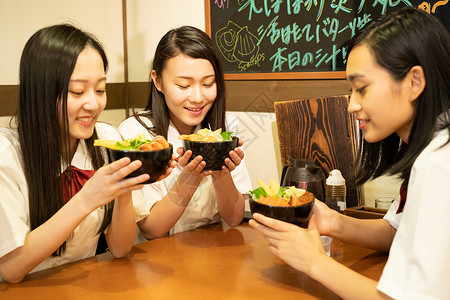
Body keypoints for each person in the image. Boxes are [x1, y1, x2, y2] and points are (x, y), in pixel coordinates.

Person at [249, 7, 450, 299]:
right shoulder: (430, 149)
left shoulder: (439, 163)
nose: (351, 105)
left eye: (362, 88)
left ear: (414, 82)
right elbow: (397, 231)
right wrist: (332, 220)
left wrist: (314, 262)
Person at [0, 24, 161, 283]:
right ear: (41, 92)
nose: (94, 104)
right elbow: (12, 270)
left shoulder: (107, 140)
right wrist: (87, 199)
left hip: (87, 285)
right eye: (77, 91)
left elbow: (120, 249)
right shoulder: (6, 155)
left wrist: (126, 186)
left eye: (100, 90)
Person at [119, 26, 252, 239]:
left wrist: (221, 174)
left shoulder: (224, 131)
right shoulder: (136, 134)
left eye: (208, 83)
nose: (198, 97)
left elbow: (234, 218)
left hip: (212, 255)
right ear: (157, 80)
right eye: (183, 85)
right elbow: (151, 229)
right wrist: (190, 176)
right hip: (156, 262)